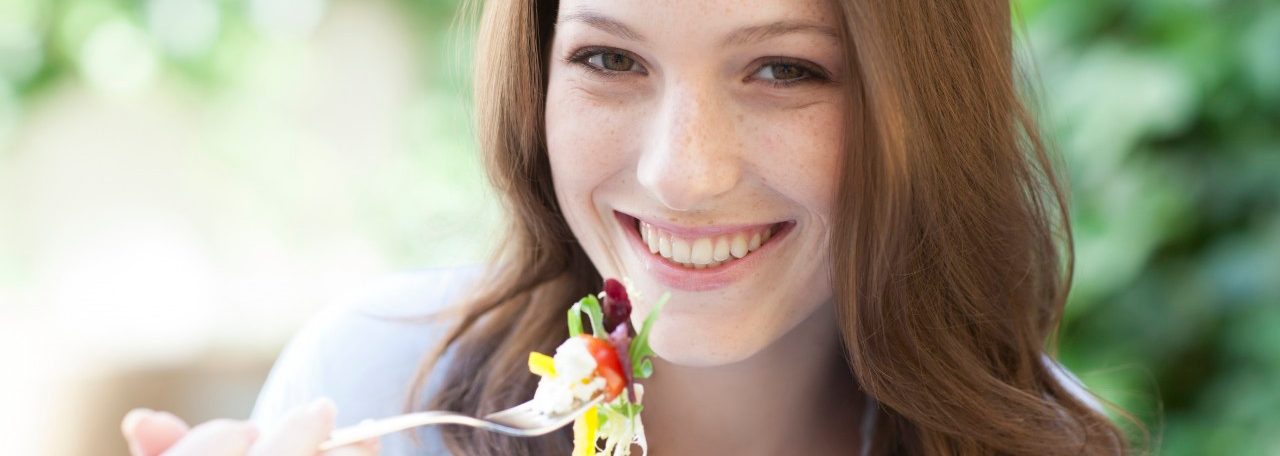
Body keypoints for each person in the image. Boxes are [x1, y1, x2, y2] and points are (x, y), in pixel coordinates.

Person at [121, 0, 1134, 454]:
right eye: (610, 60)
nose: (682, 174)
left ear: (921, 106)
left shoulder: (1041, 447)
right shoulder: (378, 394)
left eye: (784, 69)